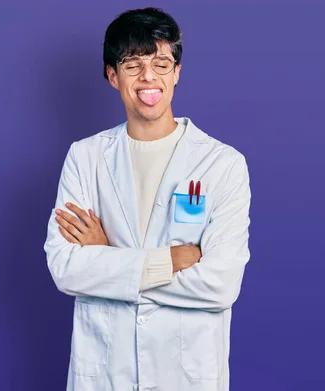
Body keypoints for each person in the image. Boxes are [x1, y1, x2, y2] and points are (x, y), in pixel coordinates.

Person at [44, 7, 251, 391]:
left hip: (186, 377)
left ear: (177, 73)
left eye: (161, 62)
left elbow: (221, 284)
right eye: (132, 64)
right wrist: (170, 261)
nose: (148, 77)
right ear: (112, 75)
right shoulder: (85, 157)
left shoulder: (222, 163)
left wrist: (107, 258)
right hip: (104, 375)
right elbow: (65, 266)